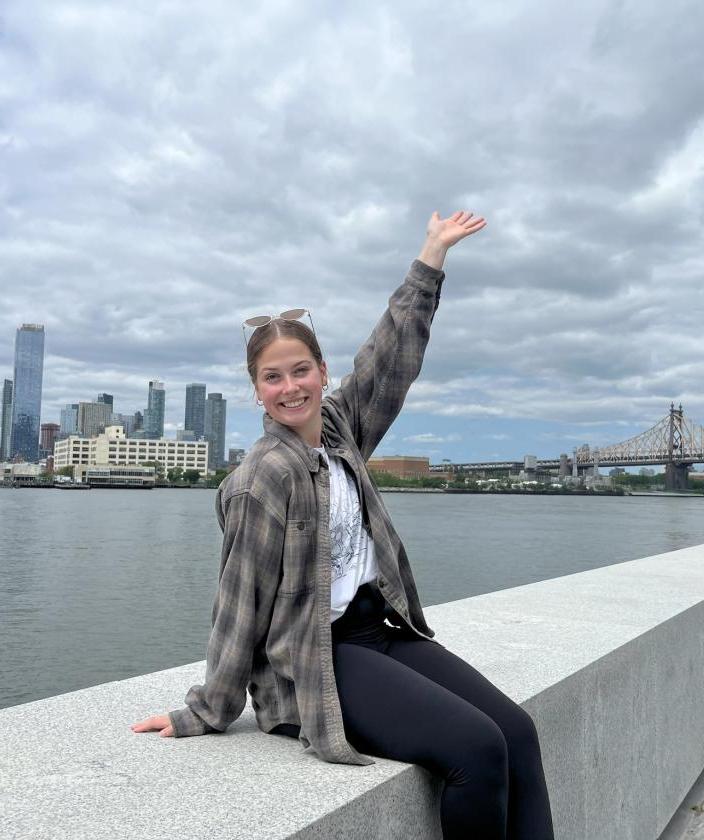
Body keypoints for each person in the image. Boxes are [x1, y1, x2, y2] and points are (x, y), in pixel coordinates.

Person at [132, 210, 555, 839]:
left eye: (301, 370)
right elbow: (237, 607)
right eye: (272, 377)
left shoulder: (339, 430)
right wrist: (206, 710)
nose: (290, 386)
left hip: (377, 629)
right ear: (256, 392)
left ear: (323, 374)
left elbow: (390, 358)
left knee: (516, 731)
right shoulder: (259, 480)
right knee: (476, 751)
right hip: (318, 656)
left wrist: (430, 257)